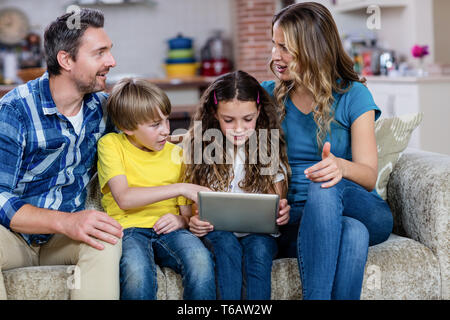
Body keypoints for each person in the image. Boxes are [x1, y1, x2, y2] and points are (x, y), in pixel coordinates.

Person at [261, 2, 393, 300]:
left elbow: (369, 176)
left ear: (312, 48)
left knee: (323, 183)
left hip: (360, 205)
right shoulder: (268, 95)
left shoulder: (353, 95)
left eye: (284, 48)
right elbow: (224, 124)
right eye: (274, 44)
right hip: (296, 217)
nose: (275, 56)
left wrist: (340, 167)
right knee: (353, 234)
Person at [0, 9, 123, 300]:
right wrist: (66, 221)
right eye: (100, 53)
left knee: (105, 240)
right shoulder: (16, 110)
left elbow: (151, 133)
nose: (112, 62)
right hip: (11, 236)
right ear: (66, 60)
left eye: (110, 51)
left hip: (62, 242)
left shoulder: (104, 110)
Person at [97, 77, 216, 300]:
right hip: (128, 230)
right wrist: (180, 188)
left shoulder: (177, 154)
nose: (165, 130)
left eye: (166, 120)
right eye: (155, 124)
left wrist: (181, 221)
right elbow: (124, 198)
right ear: (127, 128)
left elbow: (186, 216)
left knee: (201, 260)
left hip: (171, 231)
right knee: (137, 273)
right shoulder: (111, 145)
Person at [185, 70, 291, 300]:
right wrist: (193, 221)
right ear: (214, 114)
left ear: (259, 112)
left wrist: (281, 212)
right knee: (226, 246)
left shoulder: (268, 146)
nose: (239, 128)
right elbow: (194, 206)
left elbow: (276, 200)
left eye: (248, 119)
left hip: (259, 234)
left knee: (258, 251)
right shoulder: (202, 146)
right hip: (218, 232)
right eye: (228, 120)